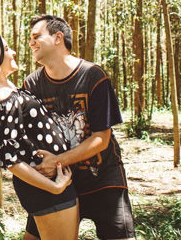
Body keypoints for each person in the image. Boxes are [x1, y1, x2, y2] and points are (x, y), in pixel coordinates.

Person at [23, 15, 136, 240]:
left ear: (58, 38)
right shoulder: (31, 84)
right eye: (30, 39)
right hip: (59, 182)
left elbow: (100, 139)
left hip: (103, 178)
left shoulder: (94, 76)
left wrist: (57, 160)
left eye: (37, 36)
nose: (31, 43)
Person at [0, 31, 79, 240]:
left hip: (45, 183)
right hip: (47, 186)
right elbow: (11, 160)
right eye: (7, 49)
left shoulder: (5, 91)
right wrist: (54, 187)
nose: (14, 52)